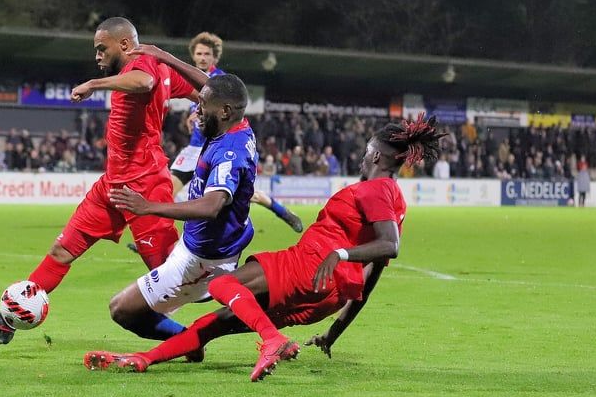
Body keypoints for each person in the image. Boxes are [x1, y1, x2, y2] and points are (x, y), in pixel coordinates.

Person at [84, 114, 444, 382]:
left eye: (368, 152)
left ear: (377, 156)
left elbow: (388, 247)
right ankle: (143, 360)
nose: (364, 158)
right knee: (216, 322)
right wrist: (334, 331)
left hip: (309, 265)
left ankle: (272, 340)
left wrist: (340, 254)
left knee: (222, 285)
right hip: (327, 297)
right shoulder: (396, 202)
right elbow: (375, 271)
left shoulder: (375, 189)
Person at [0, 17, 200, 345]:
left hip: (143, 188)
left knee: (181, 277)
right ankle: (8, 324)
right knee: (62, 251)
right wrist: (198, 104)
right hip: (112, 187)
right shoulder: (157, 71)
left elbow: (144, 82)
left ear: (124, 45)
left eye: (102, 48)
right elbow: (201, 89)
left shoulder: (145, 65)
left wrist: (93, 85)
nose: (97, 55)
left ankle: (252, 308)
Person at [106, 71, 257, 347]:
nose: (197, 110)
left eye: (202, 105)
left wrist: (148, 207)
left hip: (201, 261)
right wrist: (161, 55)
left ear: (224, 110)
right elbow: (208, 87)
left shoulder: (229, 152)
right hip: (205, 244)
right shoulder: (236, 122)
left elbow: (212, 206)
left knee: (121, 309)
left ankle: (188, 340)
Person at [132, 32, 301, 255]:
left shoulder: (219, 82)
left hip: (217, 149)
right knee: (165, 192)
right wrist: (192, 119)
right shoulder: (189, 78)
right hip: (194, 149)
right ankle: (155, 239)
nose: (202, 58)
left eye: (207, 54)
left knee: (239, 195)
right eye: (199, 53)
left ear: (215, 58)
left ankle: (283, 212)